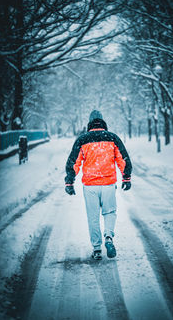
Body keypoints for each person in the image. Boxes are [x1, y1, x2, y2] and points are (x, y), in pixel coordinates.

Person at [64, 110, 132, 260]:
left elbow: (73, 162)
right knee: (109, 213)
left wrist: (70, 181)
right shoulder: (112, 138)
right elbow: (123, 158)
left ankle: (96, 249)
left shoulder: (82, 140)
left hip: (90, 186)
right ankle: (108, 236)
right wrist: (126, 177)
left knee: (93, 217)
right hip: (108, 184)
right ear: (102, 122)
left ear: (89, 123)